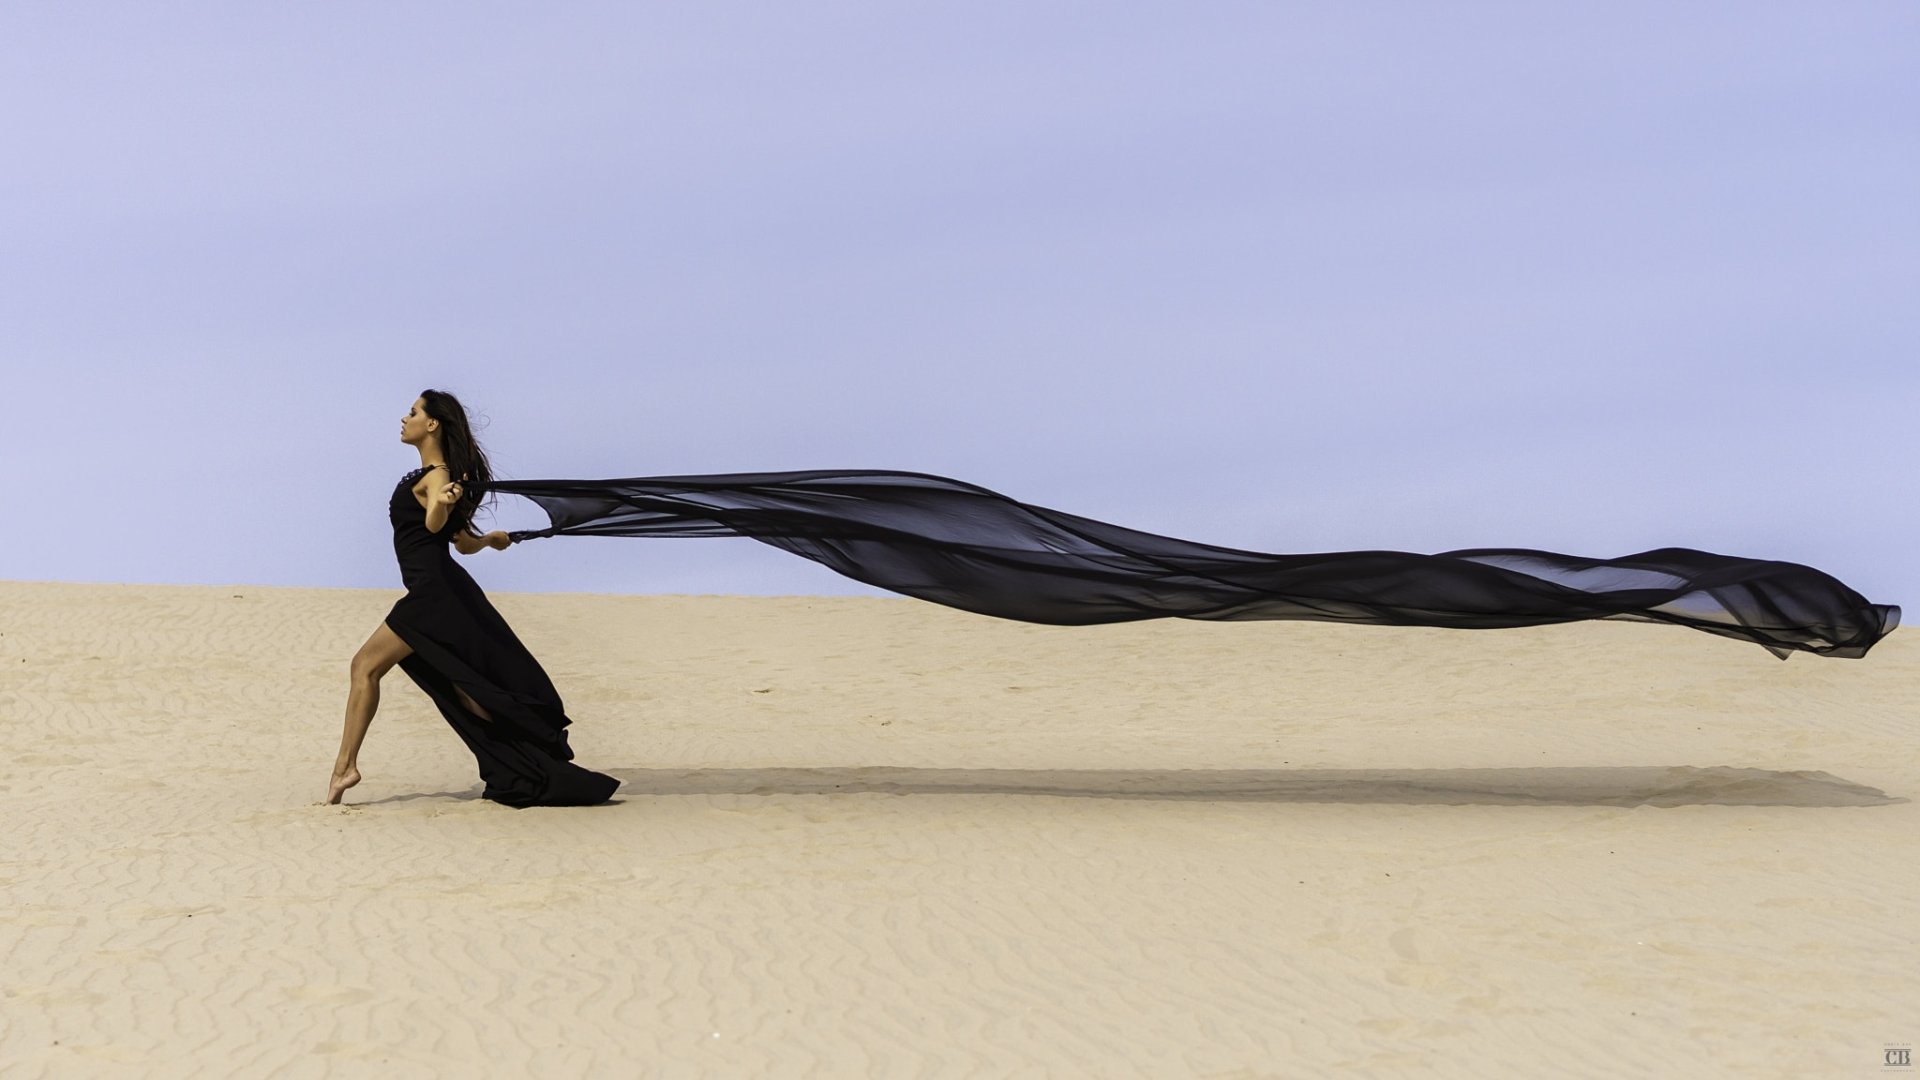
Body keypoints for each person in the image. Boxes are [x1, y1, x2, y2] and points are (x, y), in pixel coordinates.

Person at [325, 390, 620, 808]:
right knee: (467, 691)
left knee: (365, 667)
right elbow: (461, 543)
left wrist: (441, 505)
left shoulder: (438, 476)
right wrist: (489, 540)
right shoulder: (438, 478)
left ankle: (345, 768)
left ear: (432, 424)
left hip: (432, 594)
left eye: (413, 412)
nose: (405, 418)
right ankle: (522, 763)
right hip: (440, 590)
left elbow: (433, 524)